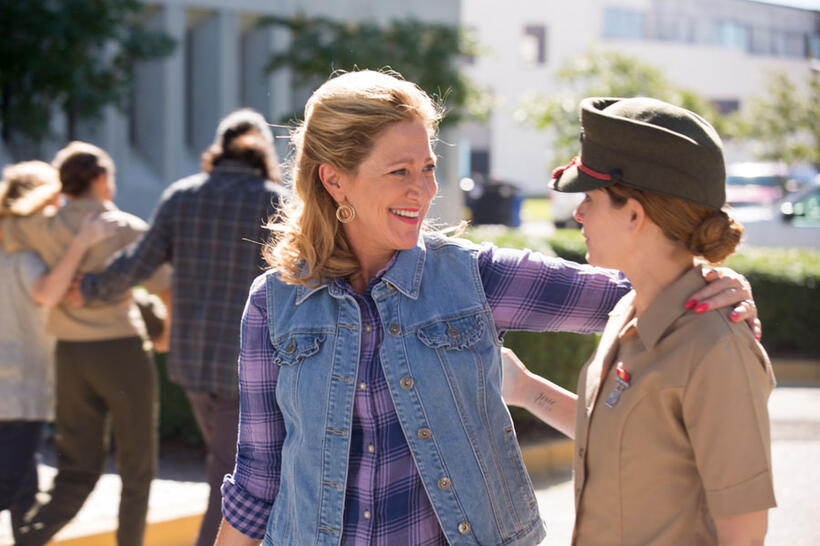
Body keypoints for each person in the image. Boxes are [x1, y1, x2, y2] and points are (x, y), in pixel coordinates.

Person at [213, 71, 759, 546]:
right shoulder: (274, 304)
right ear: (334, 179)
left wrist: (714, 281)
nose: (424, 191)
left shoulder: (473, 277)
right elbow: (258, 478)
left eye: (427, 167)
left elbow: (647, 286)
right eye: (399, 171)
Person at [501, 97, 776, 545]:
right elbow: (620, 438)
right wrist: (524, 388)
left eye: (590, 198)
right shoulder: (628, 311)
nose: (578, 213)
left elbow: (743, 532)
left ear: (634, 214)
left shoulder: (716, 347)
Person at [75, 109, 286, 546]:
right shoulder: (275, 202)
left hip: (190, 366)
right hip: (246, 369)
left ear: (218, 149)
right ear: (263, 153)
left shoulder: (181, 196)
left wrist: (91, 288)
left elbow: (138, 263)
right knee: (231, 483)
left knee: (225, 470)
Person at [0, 143, 171, 546]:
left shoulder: (42, 227)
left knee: (75, 469)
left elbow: (6, 223)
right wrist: (164, 335)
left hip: (70, 355)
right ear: (100, 179)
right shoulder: (126, 227)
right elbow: (168, 285)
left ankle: (28, 539)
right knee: (137, 469)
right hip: (121, 352)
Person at [0, 161, 118, 542]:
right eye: (56, 202)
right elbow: (48, 292)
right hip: (17, 392)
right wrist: (82, 243)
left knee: (25, 489)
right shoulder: (25, 256)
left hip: (17, 389)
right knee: (12, 485)